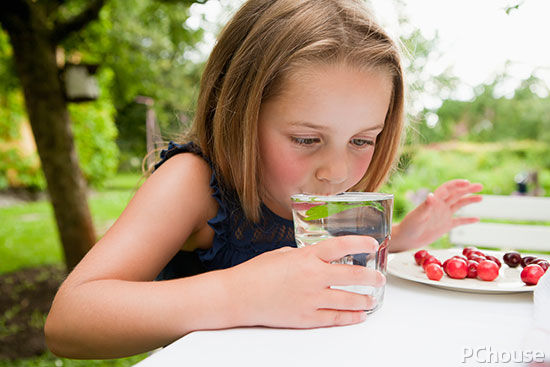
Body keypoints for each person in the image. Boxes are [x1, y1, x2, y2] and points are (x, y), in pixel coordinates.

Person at [44, 0, 482, 359]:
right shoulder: (192, 183)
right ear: (240, 113)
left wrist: (402, 237)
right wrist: (241, 294)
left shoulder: (329, 197)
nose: (338, 171)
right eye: (307, 138)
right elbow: (69, 322)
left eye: (362, 140)